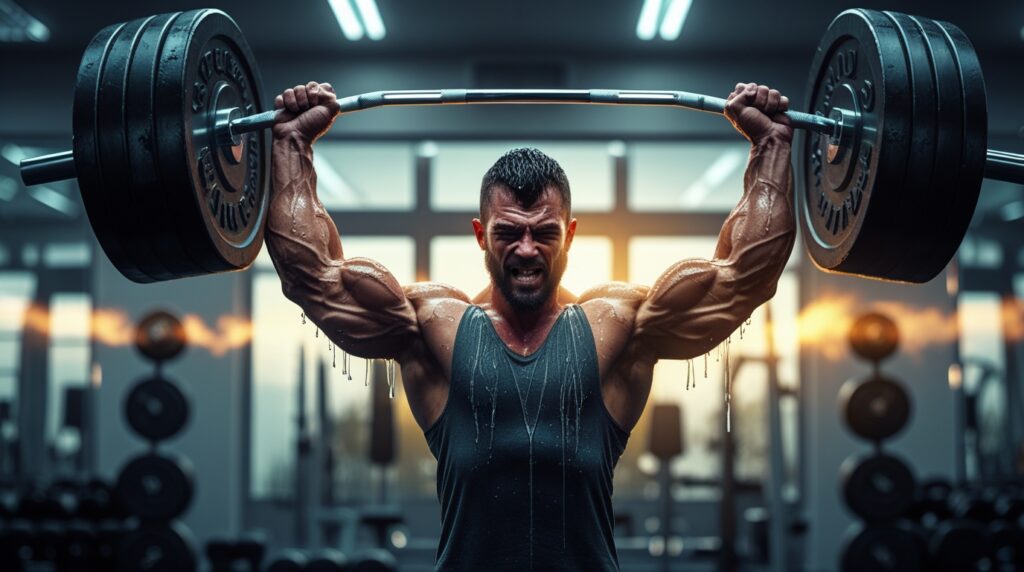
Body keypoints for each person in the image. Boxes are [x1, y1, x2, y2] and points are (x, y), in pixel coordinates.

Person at [264, 80, 795, 571]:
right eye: (507, 232)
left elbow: (741, 278)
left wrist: (771, 146)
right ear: (479, 234)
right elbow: (314, 276)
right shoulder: (433, 327)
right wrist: (290, 144)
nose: (525, 249)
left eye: (544, 233)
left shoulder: (618, 327)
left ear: (570, 234)